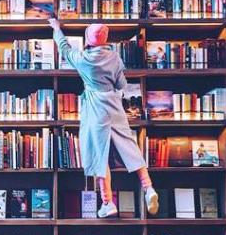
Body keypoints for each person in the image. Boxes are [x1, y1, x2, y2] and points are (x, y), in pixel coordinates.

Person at [49, 18, 158, 218]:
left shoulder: (82, 59)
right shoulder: (115, 58)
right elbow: (120, 84)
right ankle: (149, 188)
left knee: (100, 156)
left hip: (95, 108)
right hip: (114, 107)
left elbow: (64, 49)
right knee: (130, 147)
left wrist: (57, 28)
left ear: (88, 39)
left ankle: (107, 202)